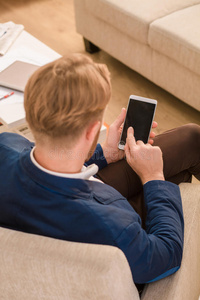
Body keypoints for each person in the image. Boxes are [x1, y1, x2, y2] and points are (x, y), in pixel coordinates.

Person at [0, 54, 199, 287]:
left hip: (56, 194)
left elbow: (52, 152)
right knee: (176, 171)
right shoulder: (113, 227)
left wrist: (104, 152)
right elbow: (167, 255)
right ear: (93, 129)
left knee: (191, 139)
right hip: (90, 212)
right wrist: (153, 177)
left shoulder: (6, 144)